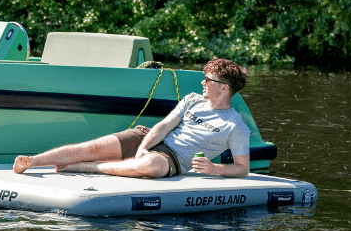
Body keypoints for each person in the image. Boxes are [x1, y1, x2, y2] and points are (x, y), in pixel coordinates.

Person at [13, 58, 251, 179]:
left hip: (172, 159)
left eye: (208, 80)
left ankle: (83, 168)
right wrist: (143, 147)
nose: (203, 83)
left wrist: (213, 168)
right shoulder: (192, 99)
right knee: (93, 146)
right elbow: (163, 126)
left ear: (224, 88)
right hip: (149, 138)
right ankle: (33, 162)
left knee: (153, 166)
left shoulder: (235, 126)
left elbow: (243, 168)